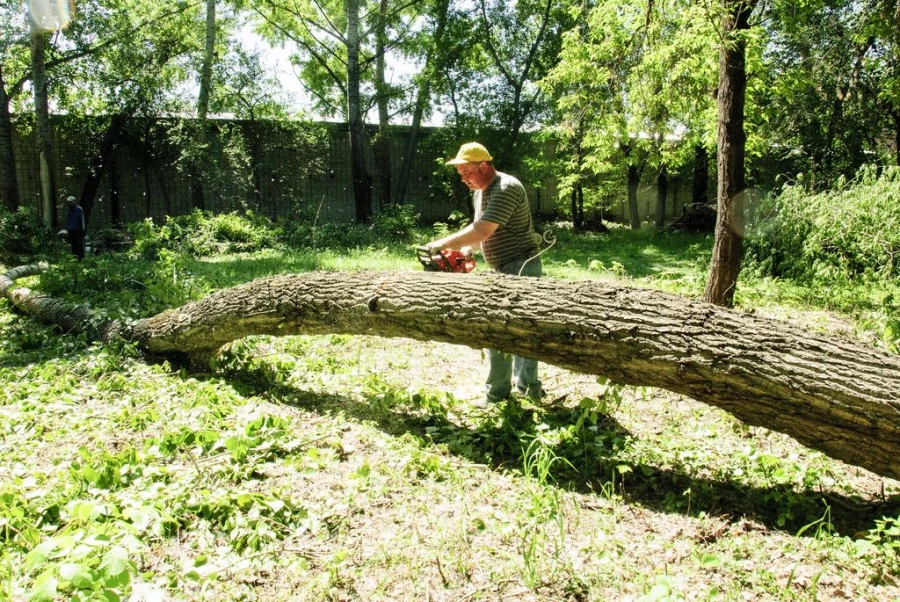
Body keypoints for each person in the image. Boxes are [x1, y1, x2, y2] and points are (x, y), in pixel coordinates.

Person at [426, 142, 544, 405]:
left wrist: (442, 243)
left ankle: (511, 394)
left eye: (468, 172)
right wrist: (467, 250)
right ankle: (518, 389)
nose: (464, 178)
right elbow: (479, 230)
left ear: (484, 165)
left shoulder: (506, 187)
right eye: (461, 175)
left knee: (518, 331)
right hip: (502, 268)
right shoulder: (481, 192)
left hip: (522, 265)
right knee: (505, 330)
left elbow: (483, 229)